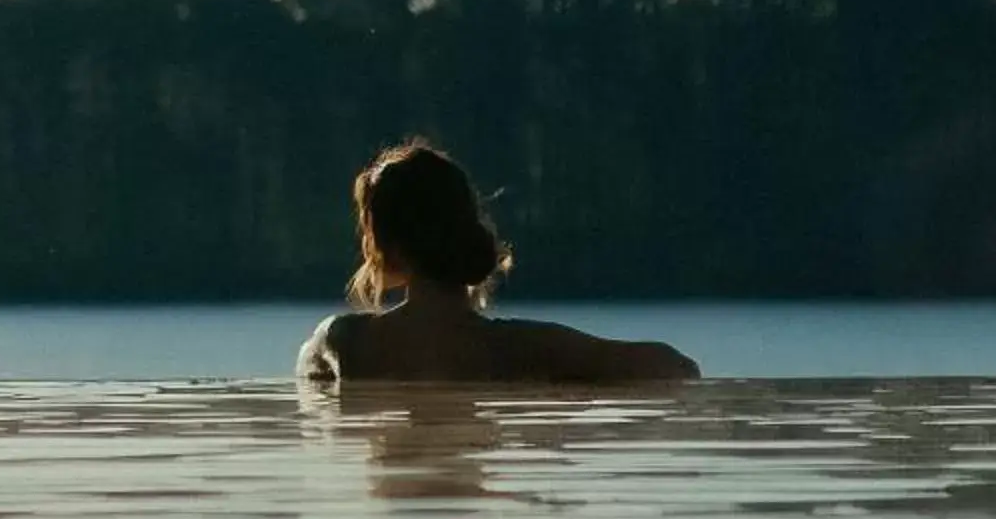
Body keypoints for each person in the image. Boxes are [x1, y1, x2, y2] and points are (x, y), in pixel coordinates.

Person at [298, 139, 699, 385]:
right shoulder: (521, 347)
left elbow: (307, 371)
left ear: (384, 248)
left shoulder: (344, 342)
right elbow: (679, 368)